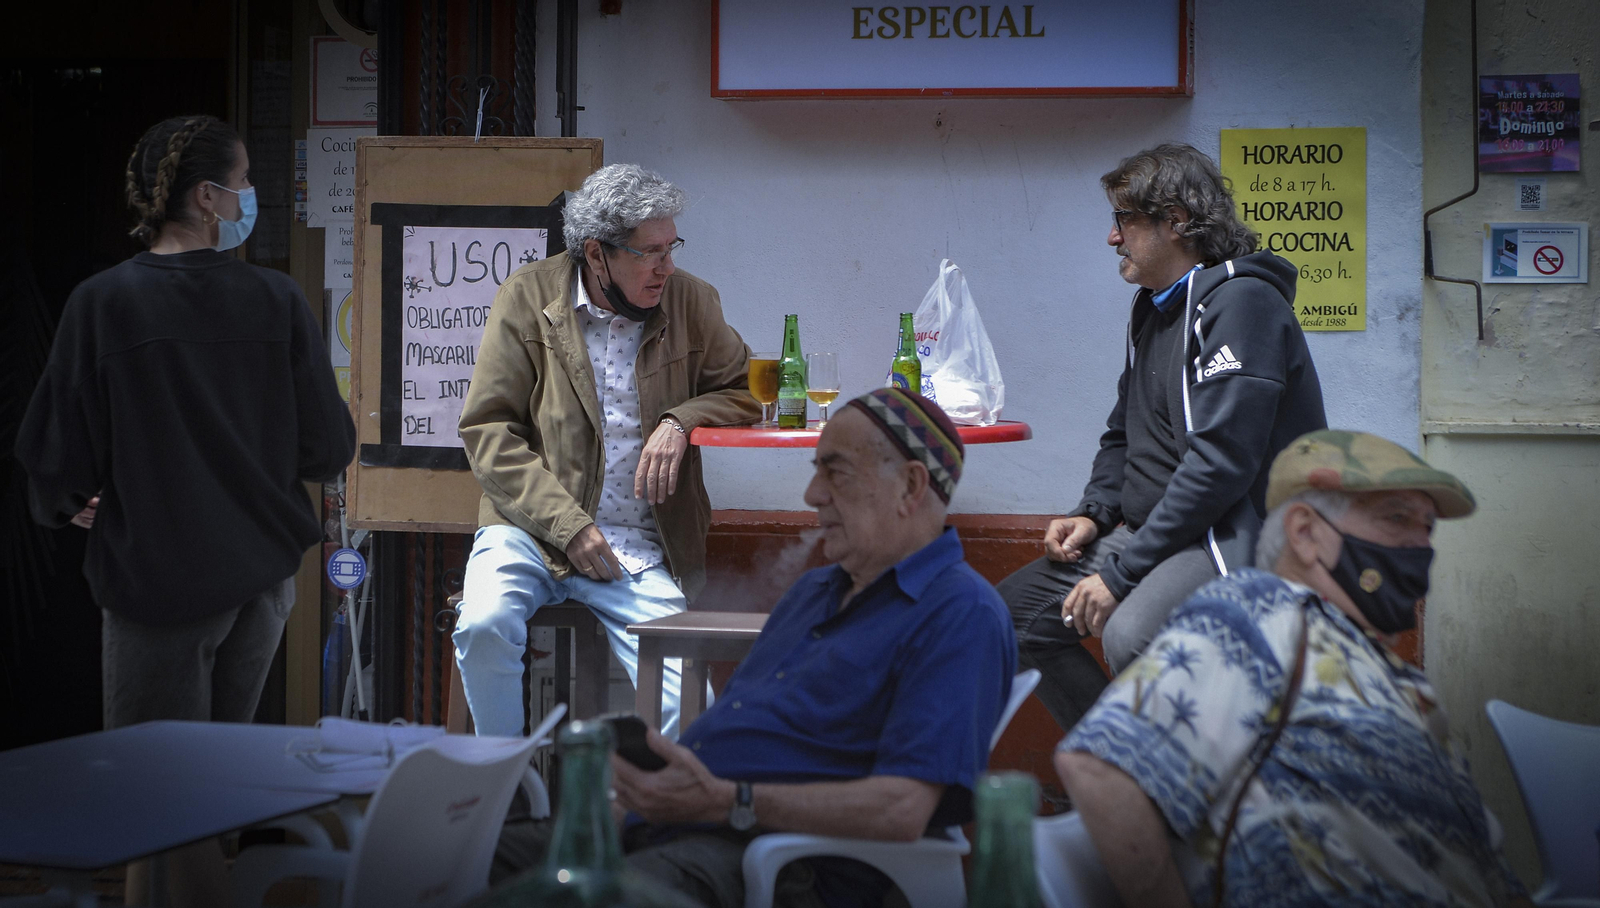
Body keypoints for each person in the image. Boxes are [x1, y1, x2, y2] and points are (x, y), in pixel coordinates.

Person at [15, 114, 356, 905]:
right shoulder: (277, 300)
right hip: (262, 583)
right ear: (208, 198)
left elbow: (55, 450)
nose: (248, 198)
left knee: (155, 799)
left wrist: (71, 502)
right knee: (210, 792)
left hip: (155, 583)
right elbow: (326, 447)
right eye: (242, 184)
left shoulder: (102, 305)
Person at [1055, 430, 1533, 907]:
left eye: (1427, 527)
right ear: (1305, 533)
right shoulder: (1261, 610)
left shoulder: (1395, 676)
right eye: (1397, 518)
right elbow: (1100, 765)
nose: (1419, 545)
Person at [608, 389, 1015, 908]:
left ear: (910, 486)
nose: (811, 494)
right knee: (491, 855)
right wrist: (644, 797)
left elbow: (903, 807)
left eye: (835, 472)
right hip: (666, 832)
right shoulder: (813, 592)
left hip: (767, 865)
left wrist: (729, 802)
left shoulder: (960, 612)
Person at [997, 142, 1326, 734]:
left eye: (1123, 220)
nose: (1112, 238)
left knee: (1131, 634)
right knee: (1008, 620)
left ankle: (1174, 806)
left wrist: (1122, 575)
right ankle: (1117, 769)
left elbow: (1222, 465)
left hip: (1230, 534)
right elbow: (1123, 431)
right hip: (1159, 534)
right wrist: (1094, 513)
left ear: (1175, 221)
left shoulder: (1242, 304)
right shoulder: (1154, 308)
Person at [453, 164, 759, 739]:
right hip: (531, 529)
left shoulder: (692, 301)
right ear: (597, 255)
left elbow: (745, 392)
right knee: (484, 627)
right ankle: (506, 781)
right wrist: (567, 524)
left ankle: (663, 818)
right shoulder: (527, 296)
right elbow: (488, 430)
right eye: (650, 253)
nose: (667, 267)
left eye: (672, 247)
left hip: (637, 543)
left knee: (688, 703)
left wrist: (681, 419)